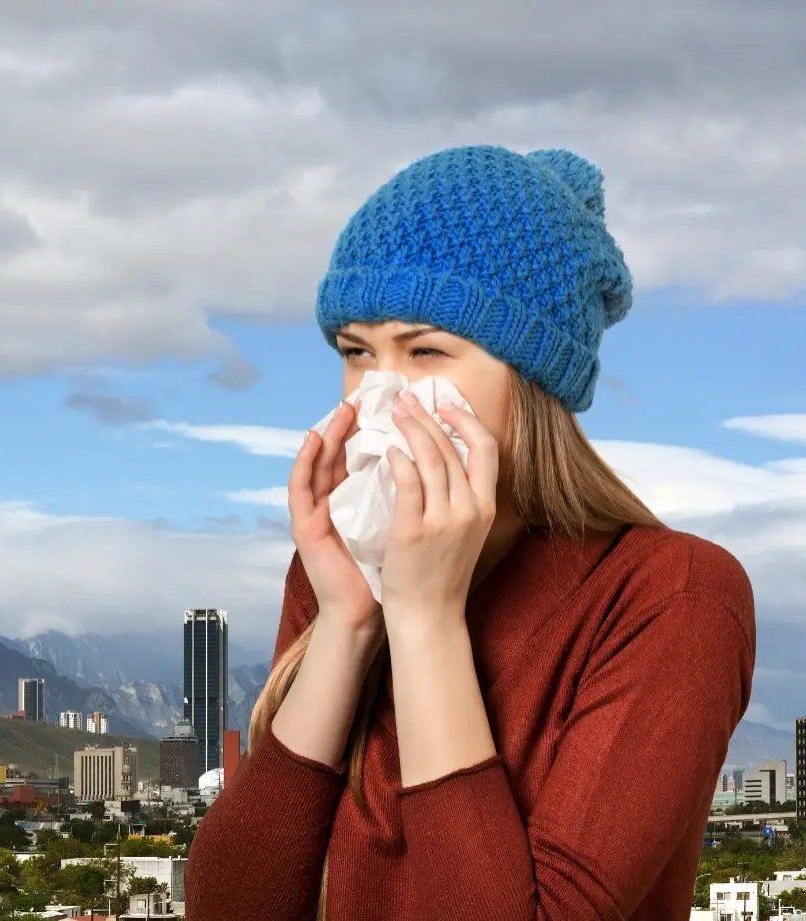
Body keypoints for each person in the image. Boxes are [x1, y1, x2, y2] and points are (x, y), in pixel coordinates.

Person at [183, 145, 756, 921]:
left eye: (424, 351)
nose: (378, 392)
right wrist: (350, 620)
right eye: (356, 352)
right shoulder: (334, 570)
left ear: (533, 377)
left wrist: (423, 618)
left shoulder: (673, 595)